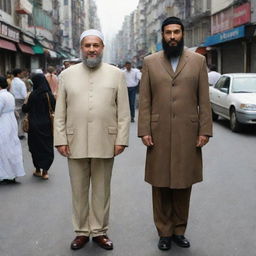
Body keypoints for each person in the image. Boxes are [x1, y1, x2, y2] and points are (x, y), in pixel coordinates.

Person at [138, 16, 212, 251]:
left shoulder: (198, 61)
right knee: (160, 185)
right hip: (158, 133)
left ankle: (179, 230)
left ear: (183, 34)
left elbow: (204, 99)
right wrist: (144, 130)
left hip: (187, 133)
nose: (172, 37)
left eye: (176, 32)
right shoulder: (150, 62)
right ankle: (164, 231)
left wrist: (204, 130)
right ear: (162, 35)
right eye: (168, 32)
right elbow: (145, 99)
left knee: (183, 183)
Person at [54, 29, 130, 251]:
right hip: (74, 141)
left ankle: (98, 231)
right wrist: (60, 139)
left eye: (96, 45)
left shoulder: (116, 74)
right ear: (81, 48)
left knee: (101, 190)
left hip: (106, 140)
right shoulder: (66, 75)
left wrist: (121, 139)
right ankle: (81, 231)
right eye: (87, 45)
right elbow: (60, 112)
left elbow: (123, 112)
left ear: (102, 48)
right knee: (78, 190)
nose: (91, 49)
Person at [22, 74, 55, 180]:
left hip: (34, 125)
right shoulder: (48, 95)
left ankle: (37, 170)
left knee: (35, 147)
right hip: (47, 125)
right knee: (47, 147)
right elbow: (54, 107)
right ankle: (45, 172)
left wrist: (24, 104)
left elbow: (25, 109)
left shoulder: (32, 95)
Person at [0, 76, 25, 184]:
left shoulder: (1, 96)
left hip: (3, 122)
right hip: (11, 122)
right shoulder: (9, 94)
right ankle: (13, 173)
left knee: (3, 148)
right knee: (12, 147)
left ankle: (6, 174)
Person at [10, 68, 27, 140]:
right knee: (22, 118)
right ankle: (20, 133)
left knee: (16, 118)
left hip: (14, 100)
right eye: (21, 73)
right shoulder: (21, 83)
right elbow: (24, 94)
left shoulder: (12, 81)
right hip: (21, 101)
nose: (23, 74)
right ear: (18, 74)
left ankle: (15, 133)